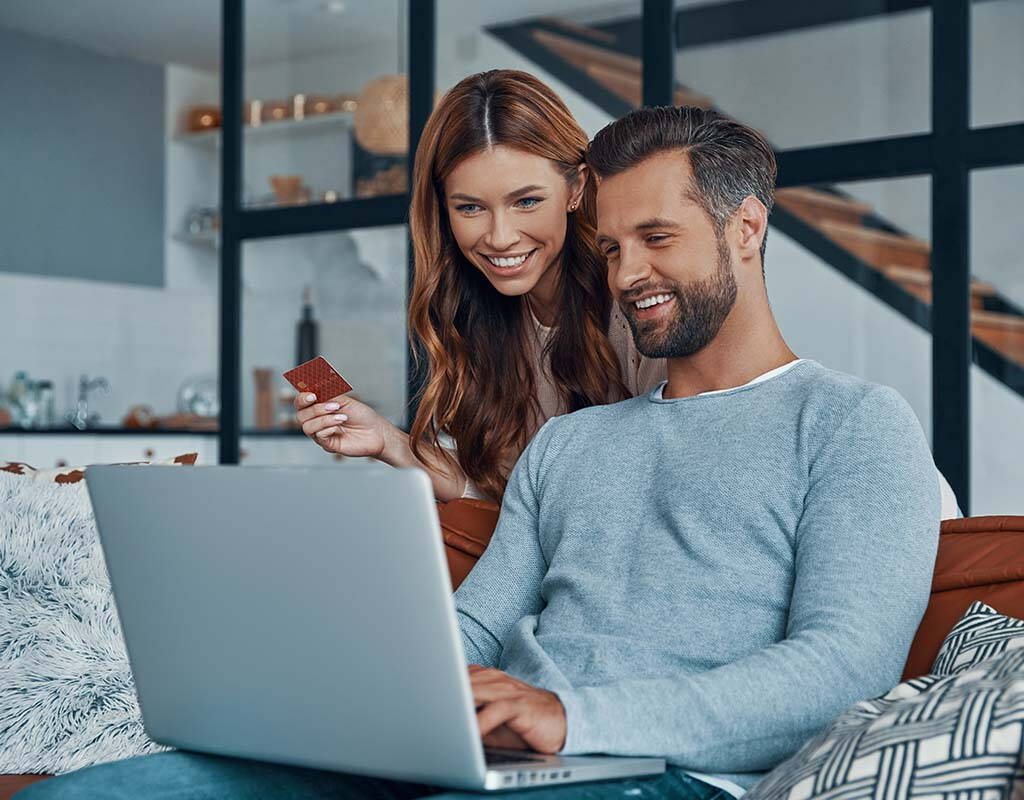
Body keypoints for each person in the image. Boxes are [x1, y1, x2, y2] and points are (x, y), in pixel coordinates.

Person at [18, 106, 942, 800]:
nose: (625, 276)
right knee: (105, 792)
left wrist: (573, 717)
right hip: (491, 755)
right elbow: (473, 625)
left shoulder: (854, 424)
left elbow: (842, 671)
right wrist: (345, 691)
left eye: (657, 239)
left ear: (748, 228)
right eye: (612, 247)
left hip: (659, 770)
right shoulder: (572, 446)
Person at [294, 69, 664, 503]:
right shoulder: (483, 315)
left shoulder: (636, 304)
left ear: (575, 188)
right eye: (470, 208)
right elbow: (504, 499)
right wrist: (387, 441)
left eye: (526, 201)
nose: (500, 236)